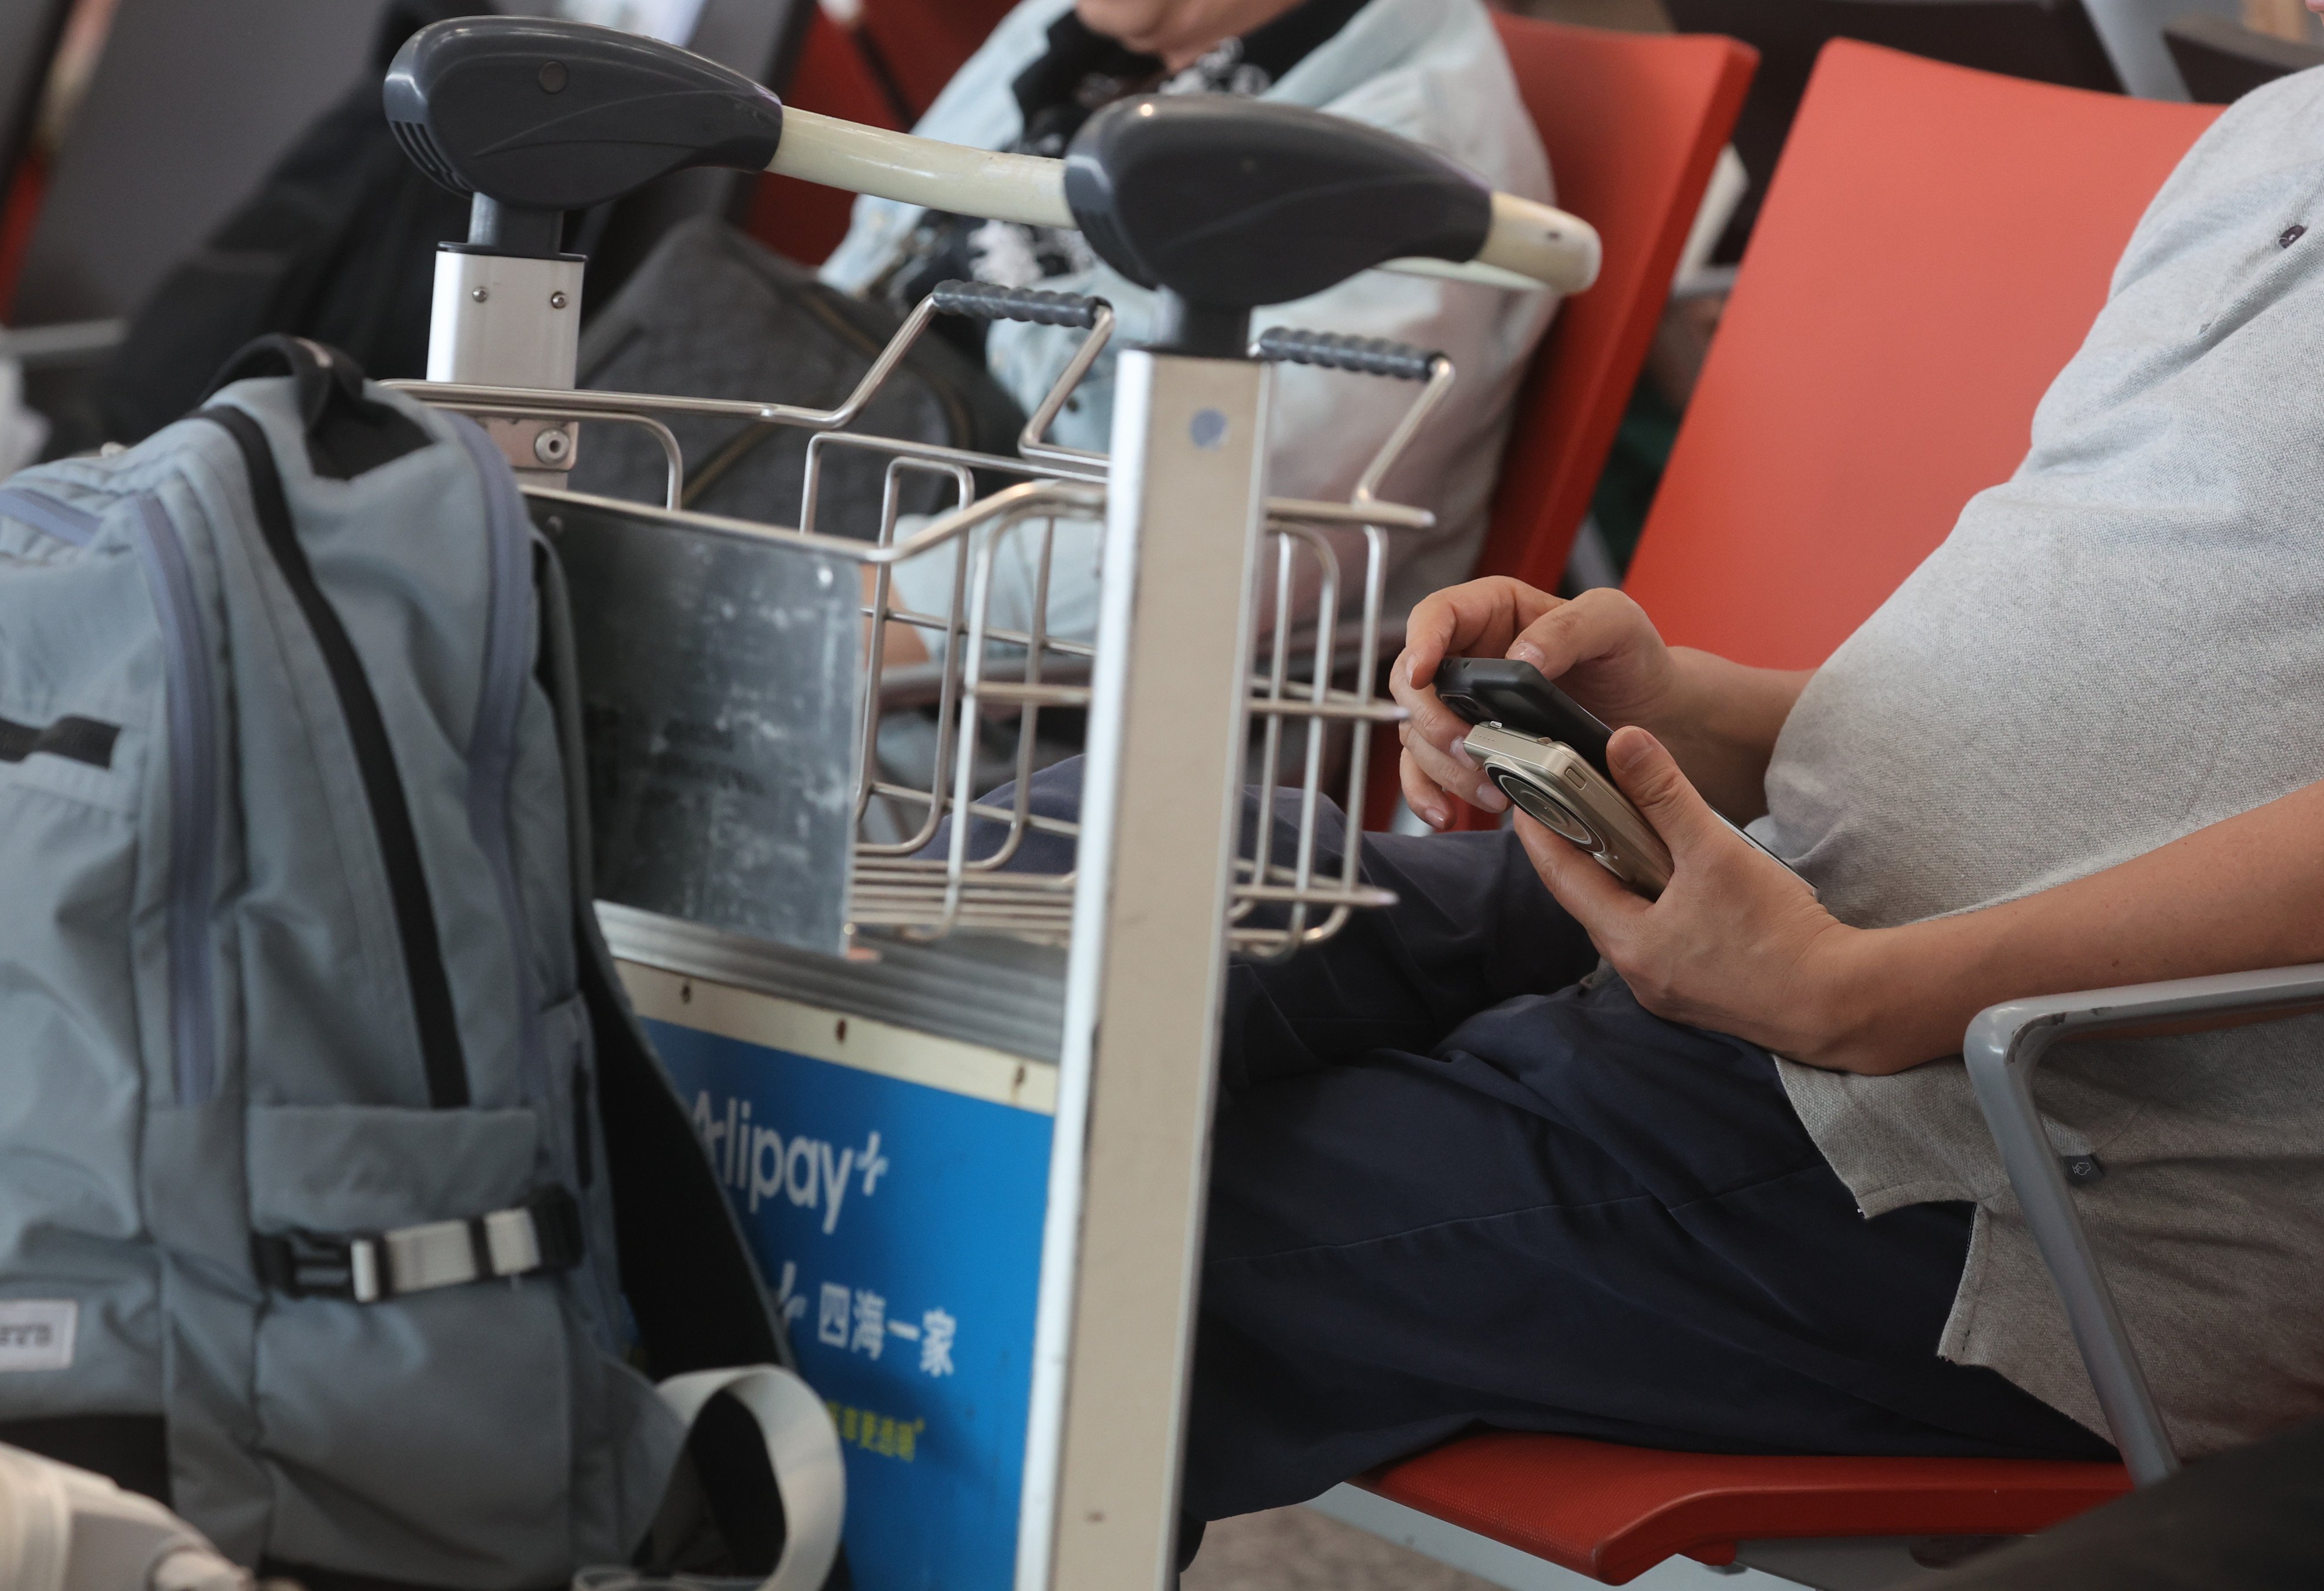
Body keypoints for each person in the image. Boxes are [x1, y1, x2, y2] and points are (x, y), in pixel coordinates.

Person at [974, 47, 2324, 1549]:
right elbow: (2116, 669)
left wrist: (1862, 998)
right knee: (1044, 884)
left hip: (2016, 1141)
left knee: (1062, 1258)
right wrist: (1686, 708)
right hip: (1780, 909)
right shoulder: (2279, 133)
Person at [819, 0, 1555, 663]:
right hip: (828, 509)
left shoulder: (1415, 149)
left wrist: (806, 620)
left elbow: (1199, 555)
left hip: (991, 728)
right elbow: (851, 285)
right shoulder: (1092, 26)